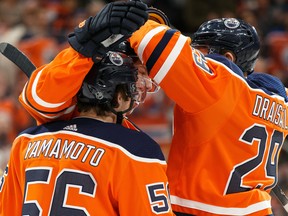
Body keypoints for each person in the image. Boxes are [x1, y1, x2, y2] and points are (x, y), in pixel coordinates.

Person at [0, 1, 174, 215]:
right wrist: (84, 48)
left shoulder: (26, 140)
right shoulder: (135, 149)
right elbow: (38, 98)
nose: (145, 82)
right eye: (136, 62)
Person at [127, 15, 288, 216]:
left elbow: (154, 42)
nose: (194, 56)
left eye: (200, 51)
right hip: (259, 210)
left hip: (204, 210)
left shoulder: (221, 85)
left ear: (228, 58)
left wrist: (142, 19)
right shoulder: (280, 99)